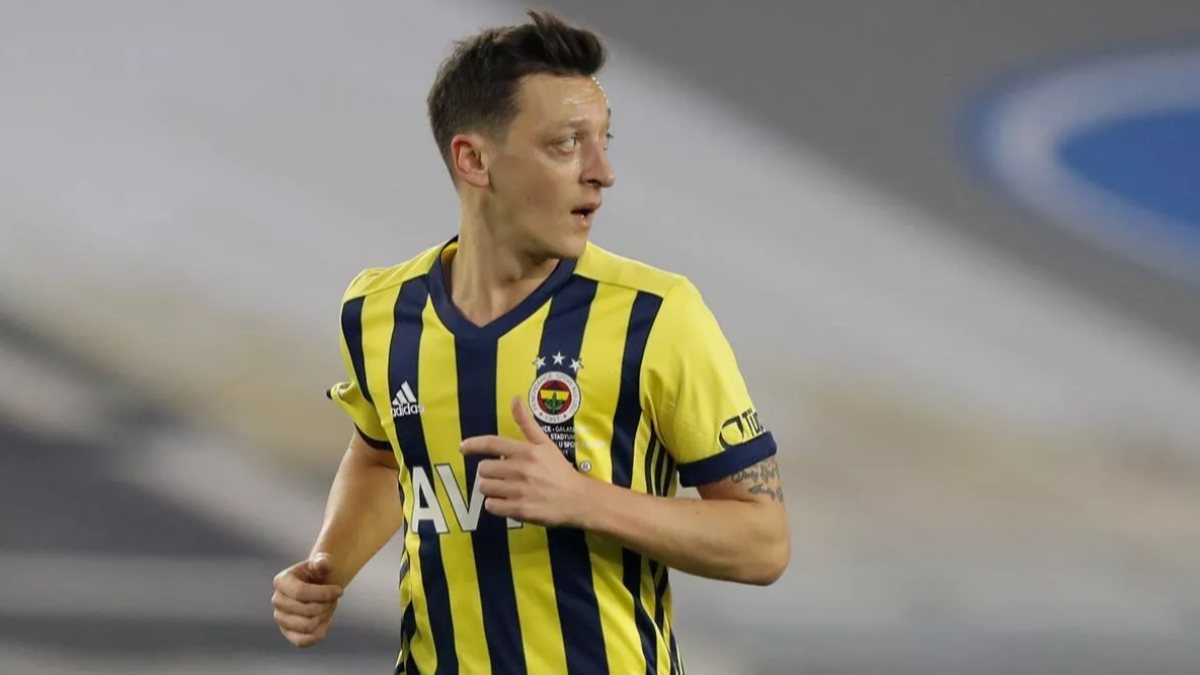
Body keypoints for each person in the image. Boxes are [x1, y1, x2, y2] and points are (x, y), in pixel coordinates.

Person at [271, 10, 789, 674]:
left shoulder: (656, 315)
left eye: (603, 140)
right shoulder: (379, 311)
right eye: (567, 144)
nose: (602, 171)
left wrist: (584, 499)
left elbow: (762, 541)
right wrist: (329, 563)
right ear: (474, 159)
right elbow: (382, 458)